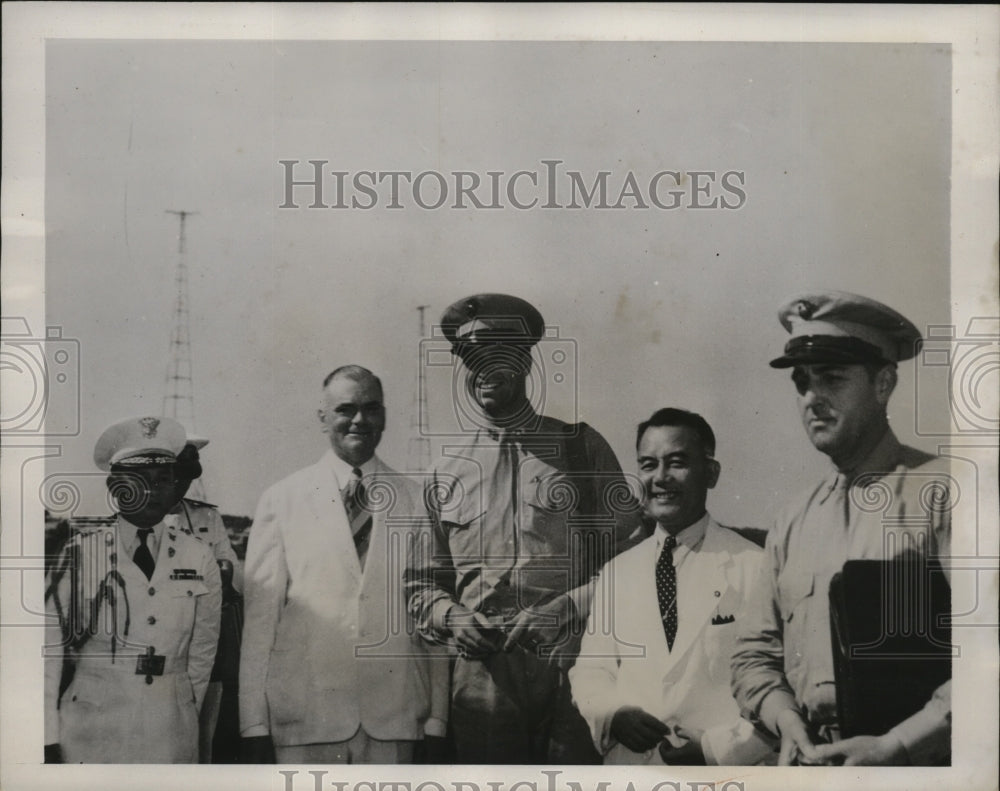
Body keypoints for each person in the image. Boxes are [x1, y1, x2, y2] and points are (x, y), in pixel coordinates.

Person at [405, 293, 641, 764]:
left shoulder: (581, 449)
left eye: (500, 355)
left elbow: (635, 562)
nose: (485, 369)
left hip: (575, 667)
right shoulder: (443, 472)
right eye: (472, 358)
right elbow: (422, 586)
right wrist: (453, 618)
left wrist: (569, 606)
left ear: (526, 361)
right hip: (482, 681)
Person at [731, 291, 952, 766]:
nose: (812, 398)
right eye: (802, 383)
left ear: (884, 383)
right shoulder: (794, 518)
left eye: (832, 379)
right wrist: (784, 719)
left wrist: (897, 745)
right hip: (812, 763)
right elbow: (753, 652)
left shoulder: (947, 493)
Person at [239, 365, 449, 764]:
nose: (359, 420)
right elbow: (260, 621)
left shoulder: (417, 500)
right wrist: (253, 724)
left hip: (398, 720)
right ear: (323, 418)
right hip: (305, 719)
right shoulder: (282, 498)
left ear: (384, 415)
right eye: (345, 409)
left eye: (371, 409)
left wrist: (438, 719)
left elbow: (432, 619)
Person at [569, 408, 776, 765]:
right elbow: (591, 671)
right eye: (648, 465)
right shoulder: (617, 573)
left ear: (711, 473)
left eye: (676, 463)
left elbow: (778, 685)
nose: (661, 477)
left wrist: (717, 749)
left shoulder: (756, 566)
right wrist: (614, 715)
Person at [44, 416, 222, 763]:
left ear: (175, 486)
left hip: (170, 730)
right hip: (91, 729)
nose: (151, 491)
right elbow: (48, 651)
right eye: (138, 480)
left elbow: (202, 654)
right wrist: (46, 735)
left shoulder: (199, 556)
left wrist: (184, 710)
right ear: (115, 487)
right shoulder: (80, 554)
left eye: (162, 480)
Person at [164, 437, 243, 763]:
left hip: (203, 647)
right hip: (160, 647)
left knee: (203, 739)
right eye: (174, 475)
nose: (180, 484)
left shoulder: (206, 519)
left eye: (186, 477)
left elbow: (230, 571)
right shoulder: (136, 520)